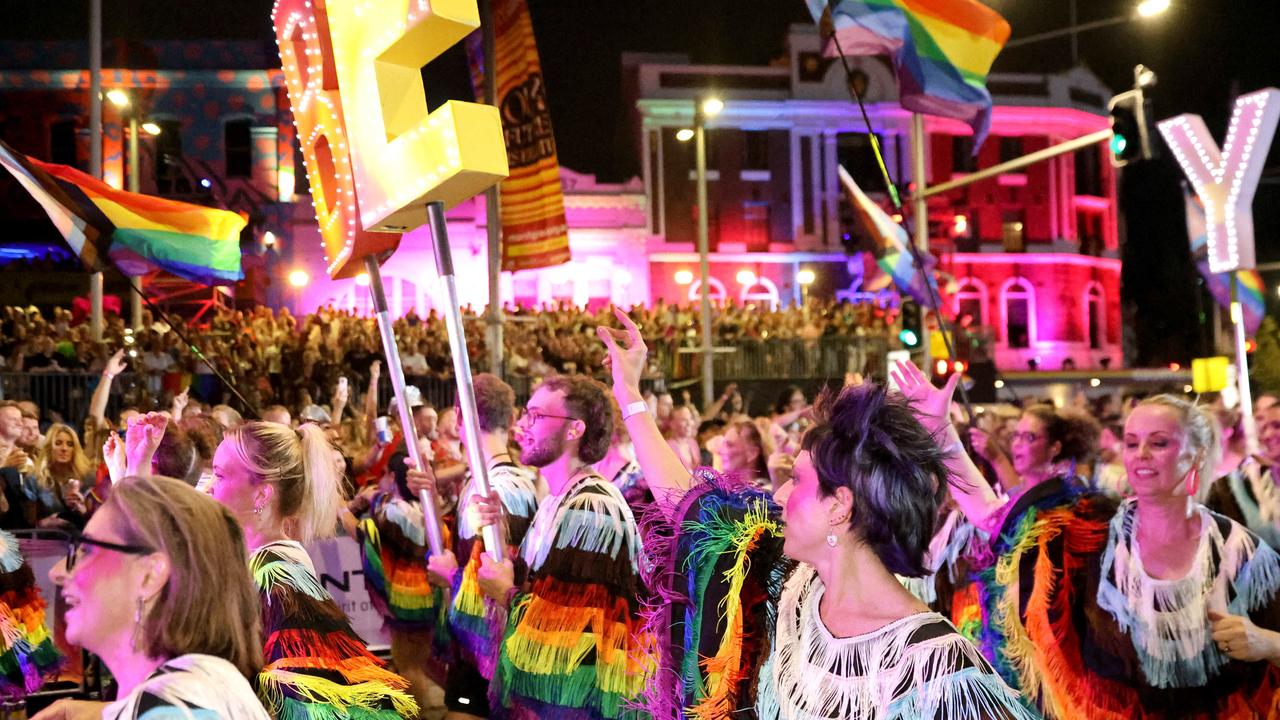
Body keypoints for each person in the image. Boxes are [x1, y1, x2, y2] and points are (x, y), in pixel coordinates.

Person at [597, 310, 1033, 719]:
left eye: (800, 480)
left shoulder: (939, 671)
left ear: (840, 505)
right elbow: (691, 508)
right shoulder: (792, 585)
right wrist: (629, 395)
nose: (781, 493)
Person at [900, 362, 1280, 720]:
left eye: (1159, 443)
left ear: (1195, 454)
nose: (1141, 455)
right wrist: (941, 433)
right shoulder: (1091, 530)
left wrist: (1266, 642)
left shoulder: (1240, 553)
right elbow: (994, 519)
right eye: (1131, 443)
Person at [208, 421, 419, 720]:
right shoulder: (263, 562)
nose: (209, 487)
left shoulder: (276, 573)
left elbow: (306, 700)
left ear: (262, 495)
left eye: (219, 475)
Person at [470, 374, 651, 719]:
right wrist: (499, 531)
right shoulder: (559, 502)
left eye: (536, 415)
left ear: (574, 430)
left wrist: (505, 593)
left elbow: (572, 637)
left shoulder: (591, 510)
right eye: (525, 413)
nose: (521, 425)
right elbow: (544, 587)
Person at [35, 475, 269, 720]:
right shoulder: (194, 692)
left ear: (149, 575)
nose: (57, 572)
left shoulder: (172, 706)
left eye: (88, 549)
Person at [417, 374, 539, 720]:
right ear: (511, 418)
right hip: (485, 653)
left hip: (485, 654)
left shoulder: (497, 488)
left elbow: (494, 583)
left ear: (459, 418)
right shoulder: (501, 480)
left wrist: (450, 575)